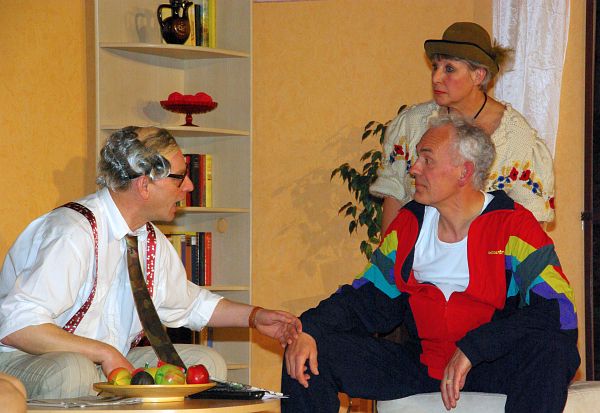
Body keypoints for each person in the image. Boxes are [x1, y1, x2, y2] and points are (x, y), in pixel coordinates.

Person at [282, 115, 579, 413]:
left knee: (553, 349)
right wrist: (309, 328)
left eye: (427, 160)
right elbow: (367, 297)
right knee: (308, 350)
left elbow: (559, 310)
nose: (414, 169)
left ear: (464, 172)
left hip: (492, 365)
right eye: (416, 159)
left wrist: (474, 348)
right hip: (421, 365)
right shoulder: (408, 225)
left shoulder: (514, 226)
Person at [0, 126, 301, 399]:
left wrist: (255, 317)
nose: (190, 186)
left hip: (102, 363)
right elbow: (18, 326)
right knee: (74, 370)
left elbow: (191, 304)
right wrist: (104, 353)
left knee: (206, 363)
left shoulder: (149, 239)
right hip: (24, 359)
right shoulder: (73, 232)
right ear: (144, 185)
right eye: (180, 177)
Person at [370, 22, 555, 233]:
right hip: (418, 250)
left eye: (449, 69)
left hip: (487, 252)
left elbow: (531, 227)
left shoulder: (517, 139)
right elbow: (393, 199)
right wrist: (391, 253)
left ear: (478, 75)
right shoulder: (411, 124)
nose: (436, 78)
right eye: (435, 67)